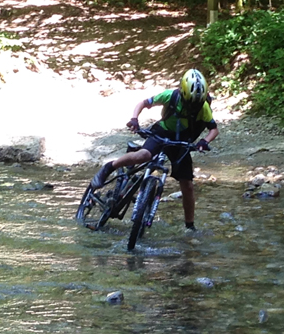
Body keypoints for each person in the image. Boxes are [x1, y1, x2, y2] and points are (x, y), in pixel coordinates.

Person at [91, 69, 219, 231]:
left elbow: (214, 129)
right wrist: (134, 119)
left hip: (182, 142)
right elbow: (143, 104)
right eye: (189, 103)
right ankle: (110, 167)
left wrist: (204, 141)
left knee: (187, 185)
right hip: (161, 132)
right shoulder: (170, 96)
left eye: (196, 104)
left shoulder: (204, 107)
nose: (193, 107)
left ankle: (190, 226)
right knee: (143, 155)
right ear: (182, 93)